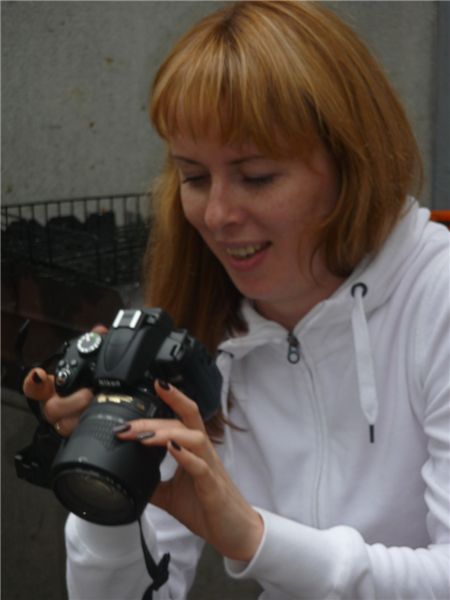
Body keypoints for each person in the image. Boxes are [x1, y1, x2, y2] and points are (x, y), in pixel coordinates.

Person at [23, 1, 450, 598]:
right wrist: (104, 489)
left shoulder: (436, 294)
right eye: (195, 178)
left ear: (352, 165)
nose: (218, 214)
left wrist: (255, 538)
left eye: (256, 177)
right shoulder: (194, 326)